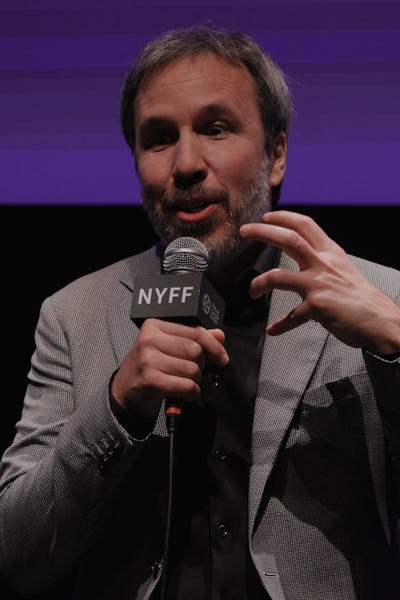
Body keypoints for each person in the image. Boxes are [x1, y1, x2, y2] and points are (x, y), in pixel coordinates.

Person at [0, 23, 399, 600]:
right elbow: (17, 555)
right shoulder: (74, 313)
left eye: (215, 129)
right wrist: (118, 405)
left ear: (276, 154)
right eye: (158, 138)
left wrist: (394, 341)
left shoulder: (379, 297)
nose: (185, 163)